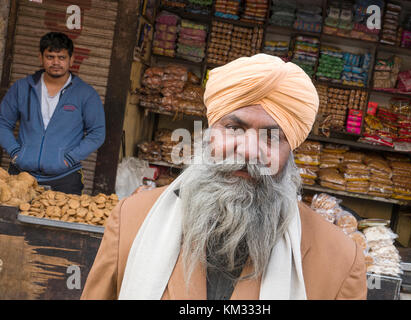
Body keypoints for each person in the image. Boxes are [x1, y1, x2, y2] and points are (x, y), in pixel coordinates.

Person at [81, 54, 367, 300]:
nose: (247, 150)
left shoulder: (340, 261)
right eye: (234, 128)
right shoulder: (133, 219)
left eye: (272, 137)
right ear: (208, 133)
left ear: (291, 152)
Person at [0, 32, 105, 195]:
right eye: (50, 56)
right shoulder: (22, 88)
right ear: (40, 58)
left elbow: (97, 133)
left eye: (61, 57)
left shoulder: (86, 94)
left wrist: (69, 159)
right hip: (21, 176)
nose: (56, 62)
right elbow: (3, 123)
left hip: (65, 178)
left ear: (71, 59)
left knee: (58, 220)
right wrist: (15, 152)